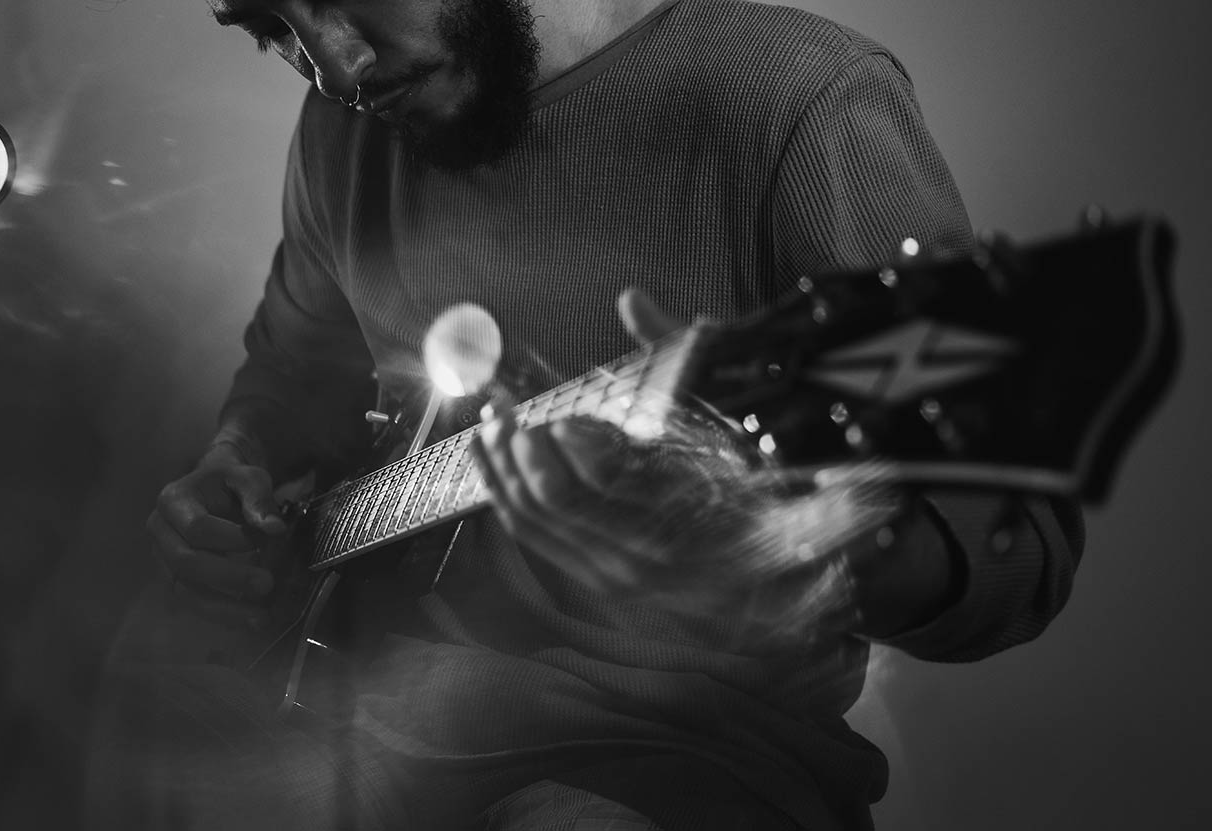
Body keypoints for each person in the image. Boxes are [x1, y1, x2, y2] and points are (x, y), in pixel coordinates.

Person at [115, 1, 1085, 828]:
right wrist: (236, 467)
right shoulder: (342, 129)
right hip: (344, 721)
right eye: (270, 28)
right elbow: (294, 373)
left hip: (666, 764)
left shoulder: (799, 98)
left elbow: (1015, 551)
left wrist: (786, 540)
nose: (335, 66)